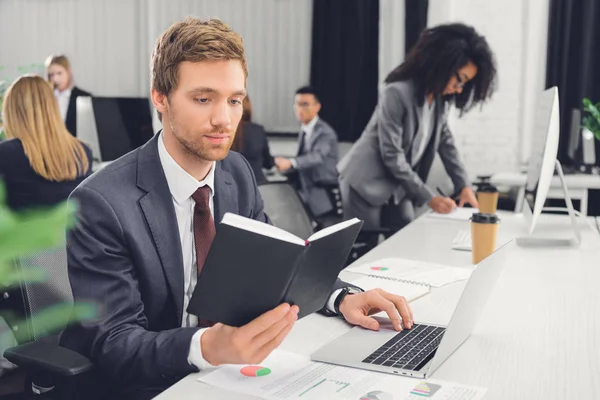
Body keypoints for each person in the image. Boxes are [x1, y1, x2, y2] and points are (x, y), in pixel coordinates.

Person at [60, 18, 414, 400]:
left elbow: (279, 264)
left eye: (234, 100)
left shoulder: (236, 172)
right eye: (203, 99)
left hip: (228, 376)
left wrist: (342, 297)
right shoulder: (101, 202)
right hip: (150, 384)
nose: (224, 119)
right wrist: (208, 347)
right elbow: (115, 344)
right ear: (160, 98)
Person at [338, 23, 497, 232]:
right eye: (460, 79)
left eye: (465, 84)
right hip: (365, 184)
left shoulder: (439, 103)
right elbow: (392, 155)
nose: (459, 89)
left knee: (407, 236)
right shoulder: (396, 93)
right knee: (366, 254)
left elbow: (447, 145)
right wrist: (430, 198)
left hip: (397, 187)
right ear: (442, 64)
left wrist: (464, 186)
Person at [0, 75, 92, 211]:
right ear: (53, 108)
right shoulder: (83, 151)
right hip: (68, 232)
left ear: (11, 113)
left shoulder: (5, 153)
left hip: (24, 232)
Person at [274, 86, 339, 217]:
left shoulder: (325, 132)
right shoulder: (305, 128)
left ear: (317, 107)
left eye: (305, 105)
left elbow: (317, 157)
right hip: (305, 190)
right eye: (297, 104)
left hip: (321, 192)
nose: (300, 109)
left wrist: (291, 163)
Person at [230, 95, 274, 184]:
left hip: (230, 185)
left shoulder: (222, 131)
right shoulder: (257, 130)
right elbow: (268, 163)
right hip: (258, 185)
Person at [45, 54, 91, 137]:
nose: (55, 79)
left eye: (59, 73)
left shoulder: (84, 97)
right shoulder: (45, 97)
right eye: (51, 75)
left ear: (68, 71)